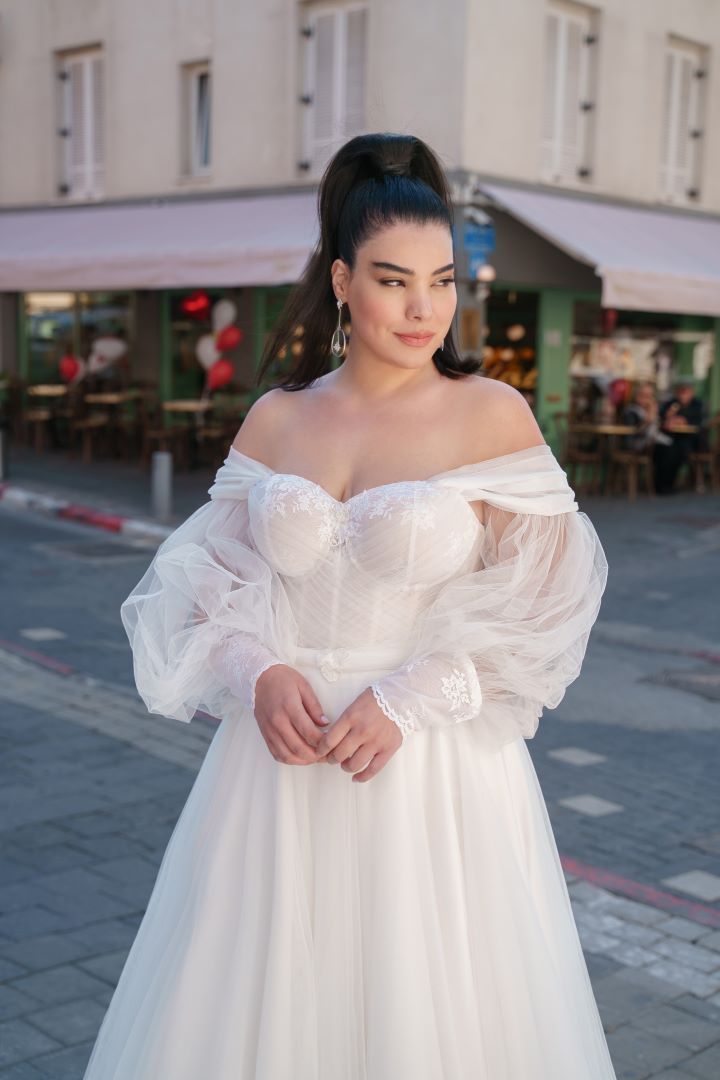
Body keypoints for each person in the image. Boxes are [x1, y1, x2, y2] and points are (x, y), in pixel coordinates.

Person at [82, 133, 616, 1079]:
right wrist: (257, 668)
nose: (424, 308)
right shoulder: (279, 418)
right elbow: (203, 581)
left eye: (443, 281)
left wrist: (413, 696)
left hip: (428, 770)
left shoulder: (489, 413)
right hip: (277, 769)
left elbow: (545, 600)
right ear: (340, 280)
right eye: (393, 279)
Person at [653, 376, 706, 494]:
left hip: (690, 440)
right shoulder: (671, 403)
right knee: (662, 450)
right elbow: (661, 419)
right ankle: (660, 485)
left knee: (678, 451)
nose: (683, 393)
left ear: (691, 392)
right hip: (671, 438)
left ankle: (669, 484)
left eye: (686, 390)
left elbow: (699, 423)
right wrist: (669, 418)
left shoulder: (697, 404)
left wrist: (684, 420)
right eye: (681, 390)